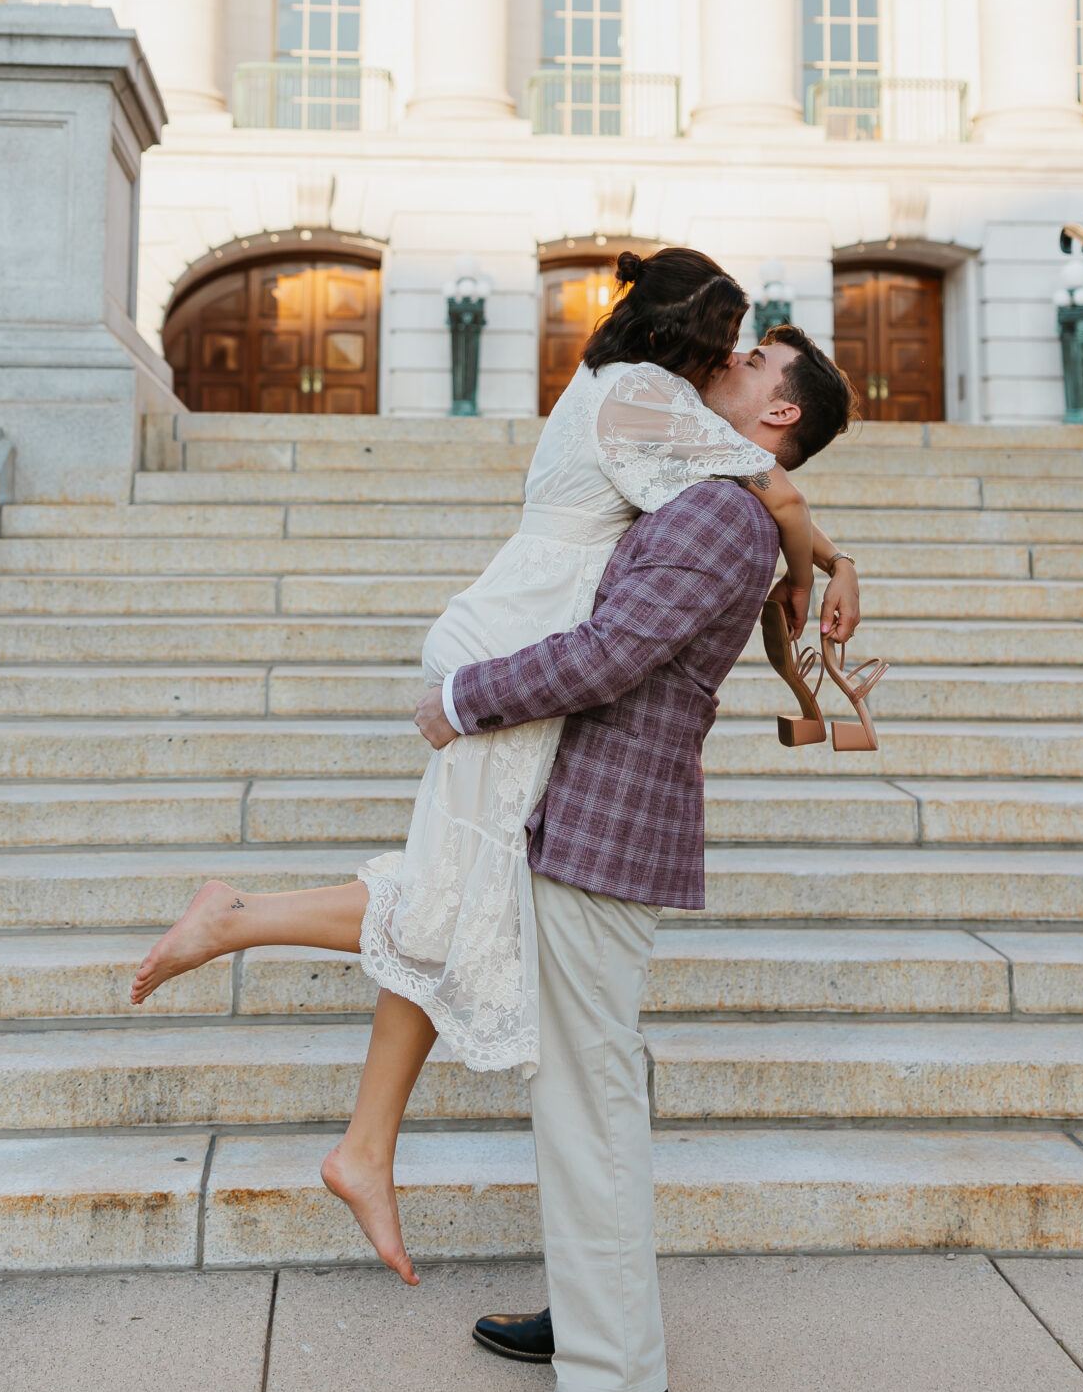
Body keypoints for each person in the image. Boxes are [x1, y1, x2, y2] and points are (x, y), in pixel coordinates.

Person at [129, 252, 857, 1281]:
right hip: (513, 650)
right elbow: (774, 488)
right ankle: (237, 924)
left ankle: (364, 1146)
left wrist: (814, 560)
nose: (739, 359)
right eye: (737, 341)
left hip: (514, 640)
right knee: (450, 895)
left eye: (758, 358)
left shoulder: (628, 392)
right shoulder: (644, 398)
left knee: (459, 892)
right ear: (696, 337)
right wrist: (822, 560)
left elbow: (762, 485)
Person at [426, 405, 824, 1392]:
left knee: (590, 1094)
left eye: (745, 358)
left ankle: (617, 1389)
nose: (715, 367)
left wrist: (465, 696)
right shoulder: (708, 494)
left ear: (777, 408)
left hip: (606, 827)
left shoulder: (717, 514)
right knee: (581, 1084)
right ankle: (589, 1304)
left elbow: (612, 653)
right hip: (593, 819)